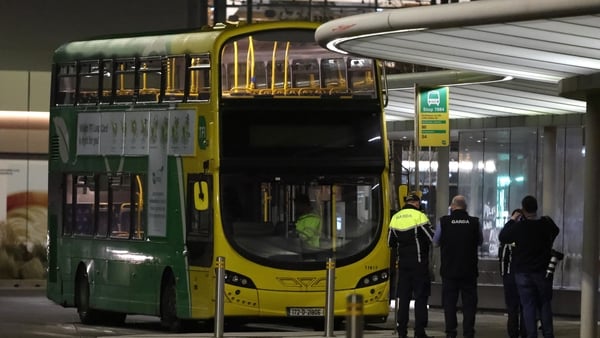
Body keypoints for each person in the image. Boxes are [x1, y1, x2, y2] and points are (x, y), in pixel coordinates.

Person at [499, 195, 559, 338]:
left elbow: (503, 236)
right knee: (544, 303)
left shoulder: (519, 227)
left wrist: (513, 219)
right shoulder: (545, 224)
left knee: (528, 305)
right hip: (542, 273)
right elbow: (555, 230)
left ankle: (531, 335)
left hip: (523, 273)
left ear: (523, 209)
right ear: (536, 208)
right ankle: (548, 334)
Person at [433, 195, 482, 338]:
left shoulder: (444, 222)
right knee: (469, 305)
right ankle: (468, 332)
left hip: (449, 270)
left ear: (452, 207)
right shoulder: (474, 222)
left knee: (449, 303)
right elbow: (480, 241)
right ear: (465, 207)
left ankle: (451, 332)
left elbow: (435, 242)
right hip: (469, 271)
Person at [388, 191, 434, 338]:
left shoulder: (395, 218)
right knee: (421, 297)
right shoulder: (419, 216)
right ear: (417, 203)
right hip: (419, 263)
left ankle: (402, 331)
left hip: (403, 265)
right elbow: (431, 237)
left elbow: (390, 242)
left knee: (404, 298)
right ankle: (419, 332)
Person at [499, 209, 527, 338]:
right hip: (523, 276)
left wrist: (512, 220)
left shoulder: (509, 236)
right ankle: (524, 332)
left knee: (512, 308)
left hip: (511, 276)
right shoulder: (526, 234)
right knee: (524, 307)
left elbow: (503, 257)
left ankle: (514, 333)